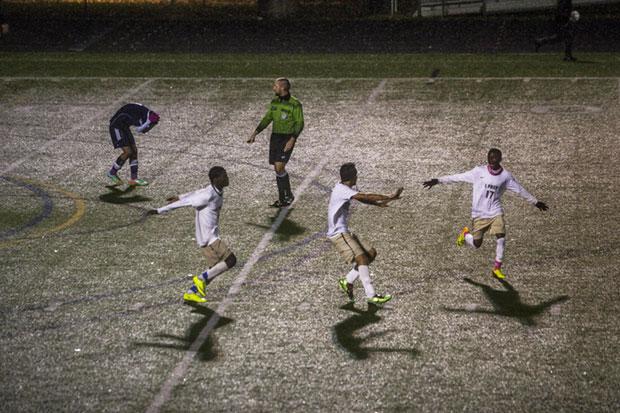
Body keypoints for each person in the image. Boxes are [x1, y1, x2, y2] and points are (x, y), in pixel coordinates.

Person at [423, 148, 548, 279]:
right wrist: (438, 180)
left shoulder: (505, 176)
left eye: (495, 158)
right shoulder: (479, 172)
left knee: (501, 236)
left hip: (495, 211)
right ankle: (465, 234)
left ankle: (497, 268)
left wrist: (535, 202)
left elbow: (520, 190)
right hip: (479, 214)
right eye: (490, 157)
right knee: (477, 244)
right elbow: (458, 177)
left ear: (500, 159)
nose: (492, 160)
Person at [147, 166, 237, 304]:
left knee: (214, 269)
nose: (227, 178)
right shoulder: (208, 195)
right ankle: (199, 279)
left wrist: (179, 195)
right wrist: (159, 210)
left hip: (209, 235)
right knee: (231, 260)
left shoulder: (213, 189)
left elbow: (195, 193)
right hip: (209, 237)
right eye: (224, 176)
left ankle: (191, 293)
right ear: (216, 179)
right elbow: (184, 203)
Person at [327, 162, 403, 305]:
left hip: (345, 231)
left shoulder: (346, 187)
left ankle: (347, 281)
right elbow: (366, 196)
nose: (357, 176)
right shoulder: (342, 190)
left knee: (370, 254)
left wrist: (378, 204)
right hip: (338, 233)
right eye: (356, 174)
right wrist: (389, 196)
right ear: (353, 176)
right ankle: (371, 295)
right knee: (361, 258)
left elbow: (362, 198)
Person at [247, 78, 304, 208]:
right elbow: (268, 118)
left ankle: (286, 197)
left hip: (287, 138)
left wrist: (292, 139)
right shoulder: (275, 102)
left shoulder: (295, 104)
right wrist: (256, 132)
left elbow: (300, 123)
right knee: (277, 169)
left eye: (275, 86)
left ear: (282, 88)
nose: (273, 88)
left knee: (279, 167)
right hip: (275, 138)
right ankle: (285, 197)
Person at [107, 103, 159, 187]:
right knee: (128, 152)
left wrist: (148, 123)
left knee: (134, 151)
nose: (150, 128)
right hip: (116, 126)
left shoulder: (145, 114)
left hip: (124, 126)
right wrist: (147, 124)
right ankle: (112, 173)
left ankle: (134, 179)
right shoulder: (143, 117)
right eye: (151, 126)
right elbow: (140, 130)